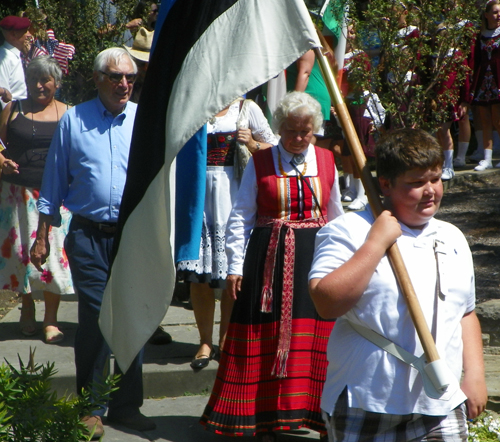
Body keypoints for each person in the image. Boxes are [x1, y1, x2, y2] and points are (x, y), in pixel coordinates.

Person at [309, 128, 487, 441]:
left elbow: (465, 314)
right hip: (366, 397)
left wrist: (474, 376)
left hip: (440, 398)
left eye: (434, 178)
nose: (430, 190)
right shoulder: (348, 230)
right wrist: (375, 244)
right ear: (386, 185)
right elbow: (326, 303)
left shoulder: (452, 237)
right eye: (416, 183)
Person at [200, 91, 344, 441]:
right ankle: (260, 418)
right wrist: (236, 267)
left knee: (317, 343)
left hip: (315, 262)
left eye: (305, 132)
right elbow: (241, 217)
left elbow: (338, 218)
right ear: (278, 128)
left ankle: (318, 416)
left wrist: (343, 263)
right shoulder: (261, 162)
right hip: (267, 261)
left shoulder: (326, 161)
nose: (297, 138)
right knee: (263, 335)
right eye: (291, 131)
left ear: (315, 129)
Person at [30, 47, 155, 438]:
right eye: (116, 77)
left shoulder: (144, 120)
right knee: (99, 317)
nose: (124, 85)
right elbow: (53, 181)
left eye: (130, 78)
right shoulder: (74, 120)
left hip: (134, 236)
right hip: (87, 234)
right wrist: (42, 236)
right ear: (98, 78)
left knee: (132, 317)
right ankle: (91, 407)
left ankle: (126, 404)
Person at [177, 97, 277, 370]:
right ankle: (205, 342)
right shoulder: (196, 103)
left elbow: (276, 148)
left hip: (232, 193)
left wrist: (253, 144)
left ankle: (226, 341)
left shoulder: (246, 108)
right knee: (198, 275)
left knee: (231, 274)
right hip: (196, 195)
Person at [0, 56, 73, 343]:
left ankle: (51, 319)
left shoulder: (69, 112)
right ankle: (26, 309)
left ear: (57, 83)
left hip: (56, 196)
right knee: (21, 254)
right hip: (16, 194)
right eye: (33, 80)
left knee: (54, 256)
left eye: (46, 80)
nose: (39, 86)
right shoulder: (12, 109)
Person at [470, 0, 500, 170]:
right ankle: (487, 158)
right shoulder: (480, 35)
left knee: (498, 120)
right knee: (485, 120)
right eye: (495, 12)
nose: (498, 16)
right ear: (487, 14)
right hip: (484, 82)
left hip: (498, 81)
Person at [0, 15, 31, 108]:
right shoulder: (4, 58)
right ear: (14, 34)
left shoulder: (15, 56)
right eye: (25, 31)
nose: (29, 35)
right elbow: (3, 98)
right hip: (12, 115)